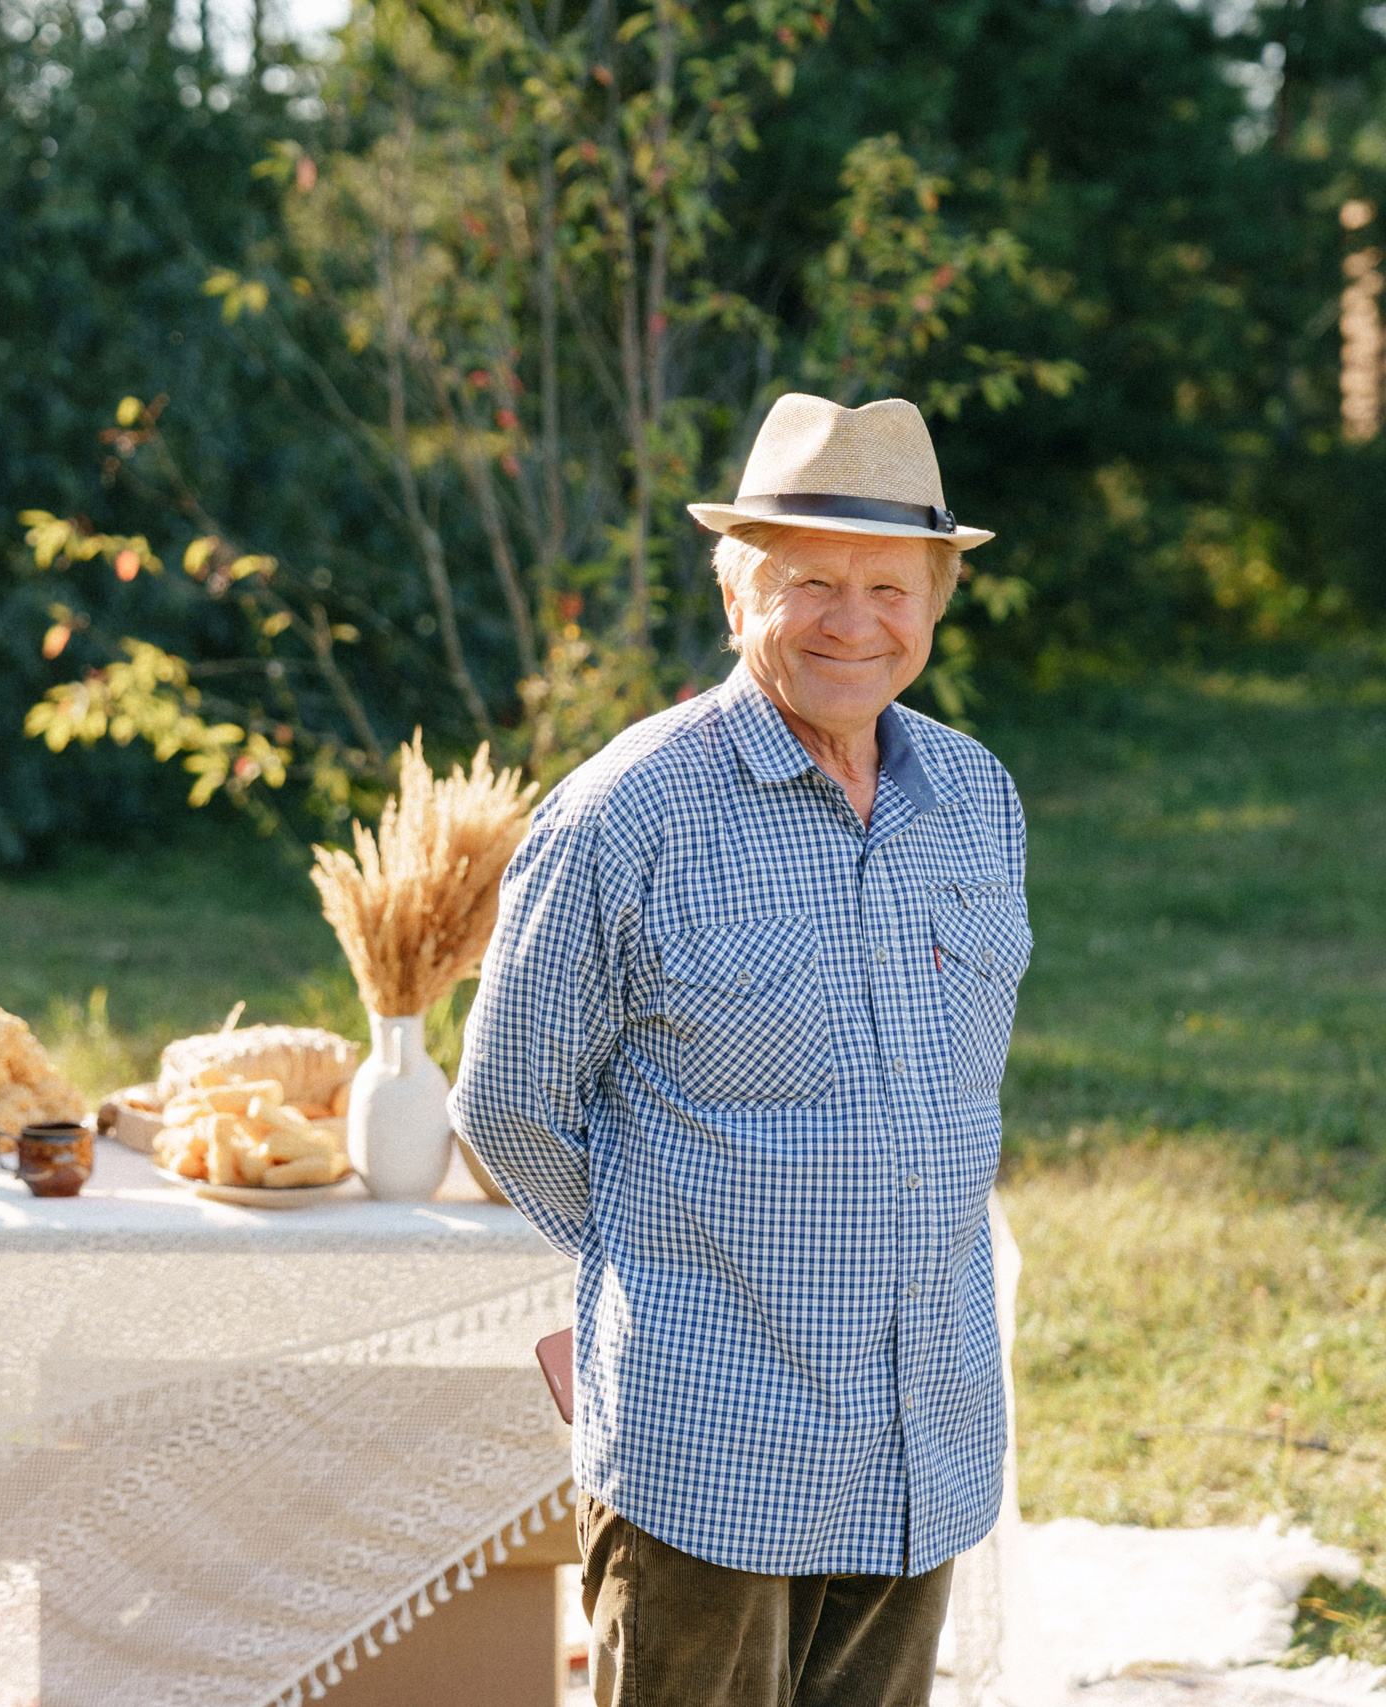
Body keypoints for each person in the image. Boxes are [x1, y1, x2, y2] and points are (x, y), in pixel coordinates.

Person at [451, 394, 1032, 1707]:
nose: (852, 619)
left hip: (919, 1431)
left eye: (889, 584)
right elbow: (508, 1105)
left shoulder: (976, 799)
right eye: (810, 581)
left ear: (935, 600)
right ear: (737, 595)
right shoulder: (625, 814)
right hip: (710, 1442)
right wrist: (668, 1270)